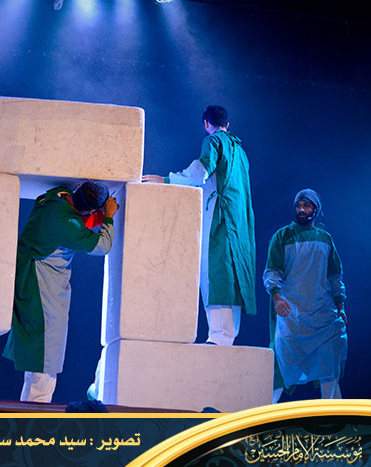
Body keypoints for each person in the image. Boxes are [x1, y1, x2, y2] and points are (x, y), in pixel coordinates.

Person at [142, 105, 256, 345]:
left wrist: (166, 180)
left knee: (216, 272)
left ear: (206, 123)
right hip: (238, 222)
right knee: (232, 274)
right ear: (228, 124)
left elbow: (199, 173)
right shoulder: (241, 151)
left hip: (220, 218)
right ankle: (227, 335)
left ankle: (219, 336)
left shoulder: (214, 141)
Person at [2, 181, 119, 403]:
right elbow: (102, 246)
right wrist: (109, 217)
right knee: (45, 359)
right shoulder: (66, 224)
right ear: (89, 211)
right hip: (42, 286)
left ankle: (31, 411)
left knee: (41, 357)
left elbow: (76, 222)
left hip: (32, 275)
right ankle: (34, 416)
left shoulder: (55, 196)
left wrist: (95, 213)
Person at [263, 189, 347, 402]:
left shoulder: (325, 239)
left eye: (306, 205)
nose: (301, 209)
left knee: (329, 364)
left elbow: (335, 276)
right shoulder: (283, 236)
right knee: (281, 365)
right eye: (298, 205)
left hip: (322, 315)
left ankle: (331, 414)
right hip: (291, 314)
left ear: (315, 209)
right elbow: (272, 271)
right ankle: (263, 413)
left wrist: (340, 305)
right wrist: (276, 296)